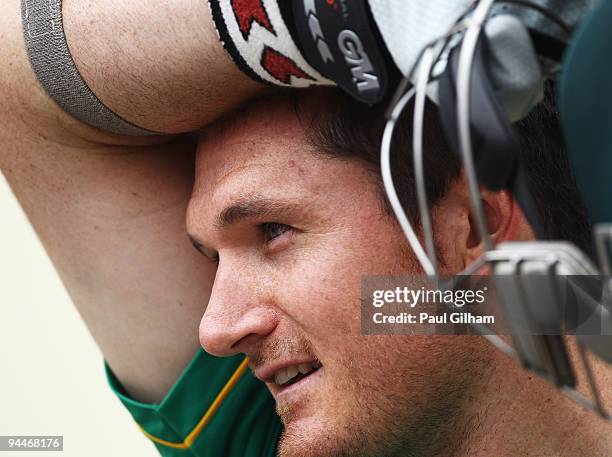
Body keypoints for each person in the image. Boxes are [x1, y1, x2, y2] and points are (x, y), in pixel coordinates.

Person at [0, 0, 609, 456]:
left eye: (272, 231)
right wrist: (342, 18)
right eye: (212, 259)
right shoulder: (299, 431)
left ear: (472, 226)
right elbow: (17, 80)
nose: (215, 331)